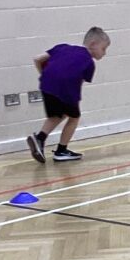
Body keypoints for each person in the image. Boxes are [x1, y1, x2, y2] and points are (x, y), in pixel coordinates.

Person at [25, 27, 110, 163]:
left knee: (59, 114)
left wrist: (46, 76)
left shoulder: (62, 47)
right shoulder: (89, 62)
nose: (104, 53)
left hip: (46, 84)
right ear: (93, 44)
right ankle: (61, 150)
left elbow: (37, 59)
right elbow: (76, 84)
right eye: (103, 49)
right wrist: (74, 101)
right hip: (65, 88)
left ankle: (40, 139)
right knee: (74, 117)